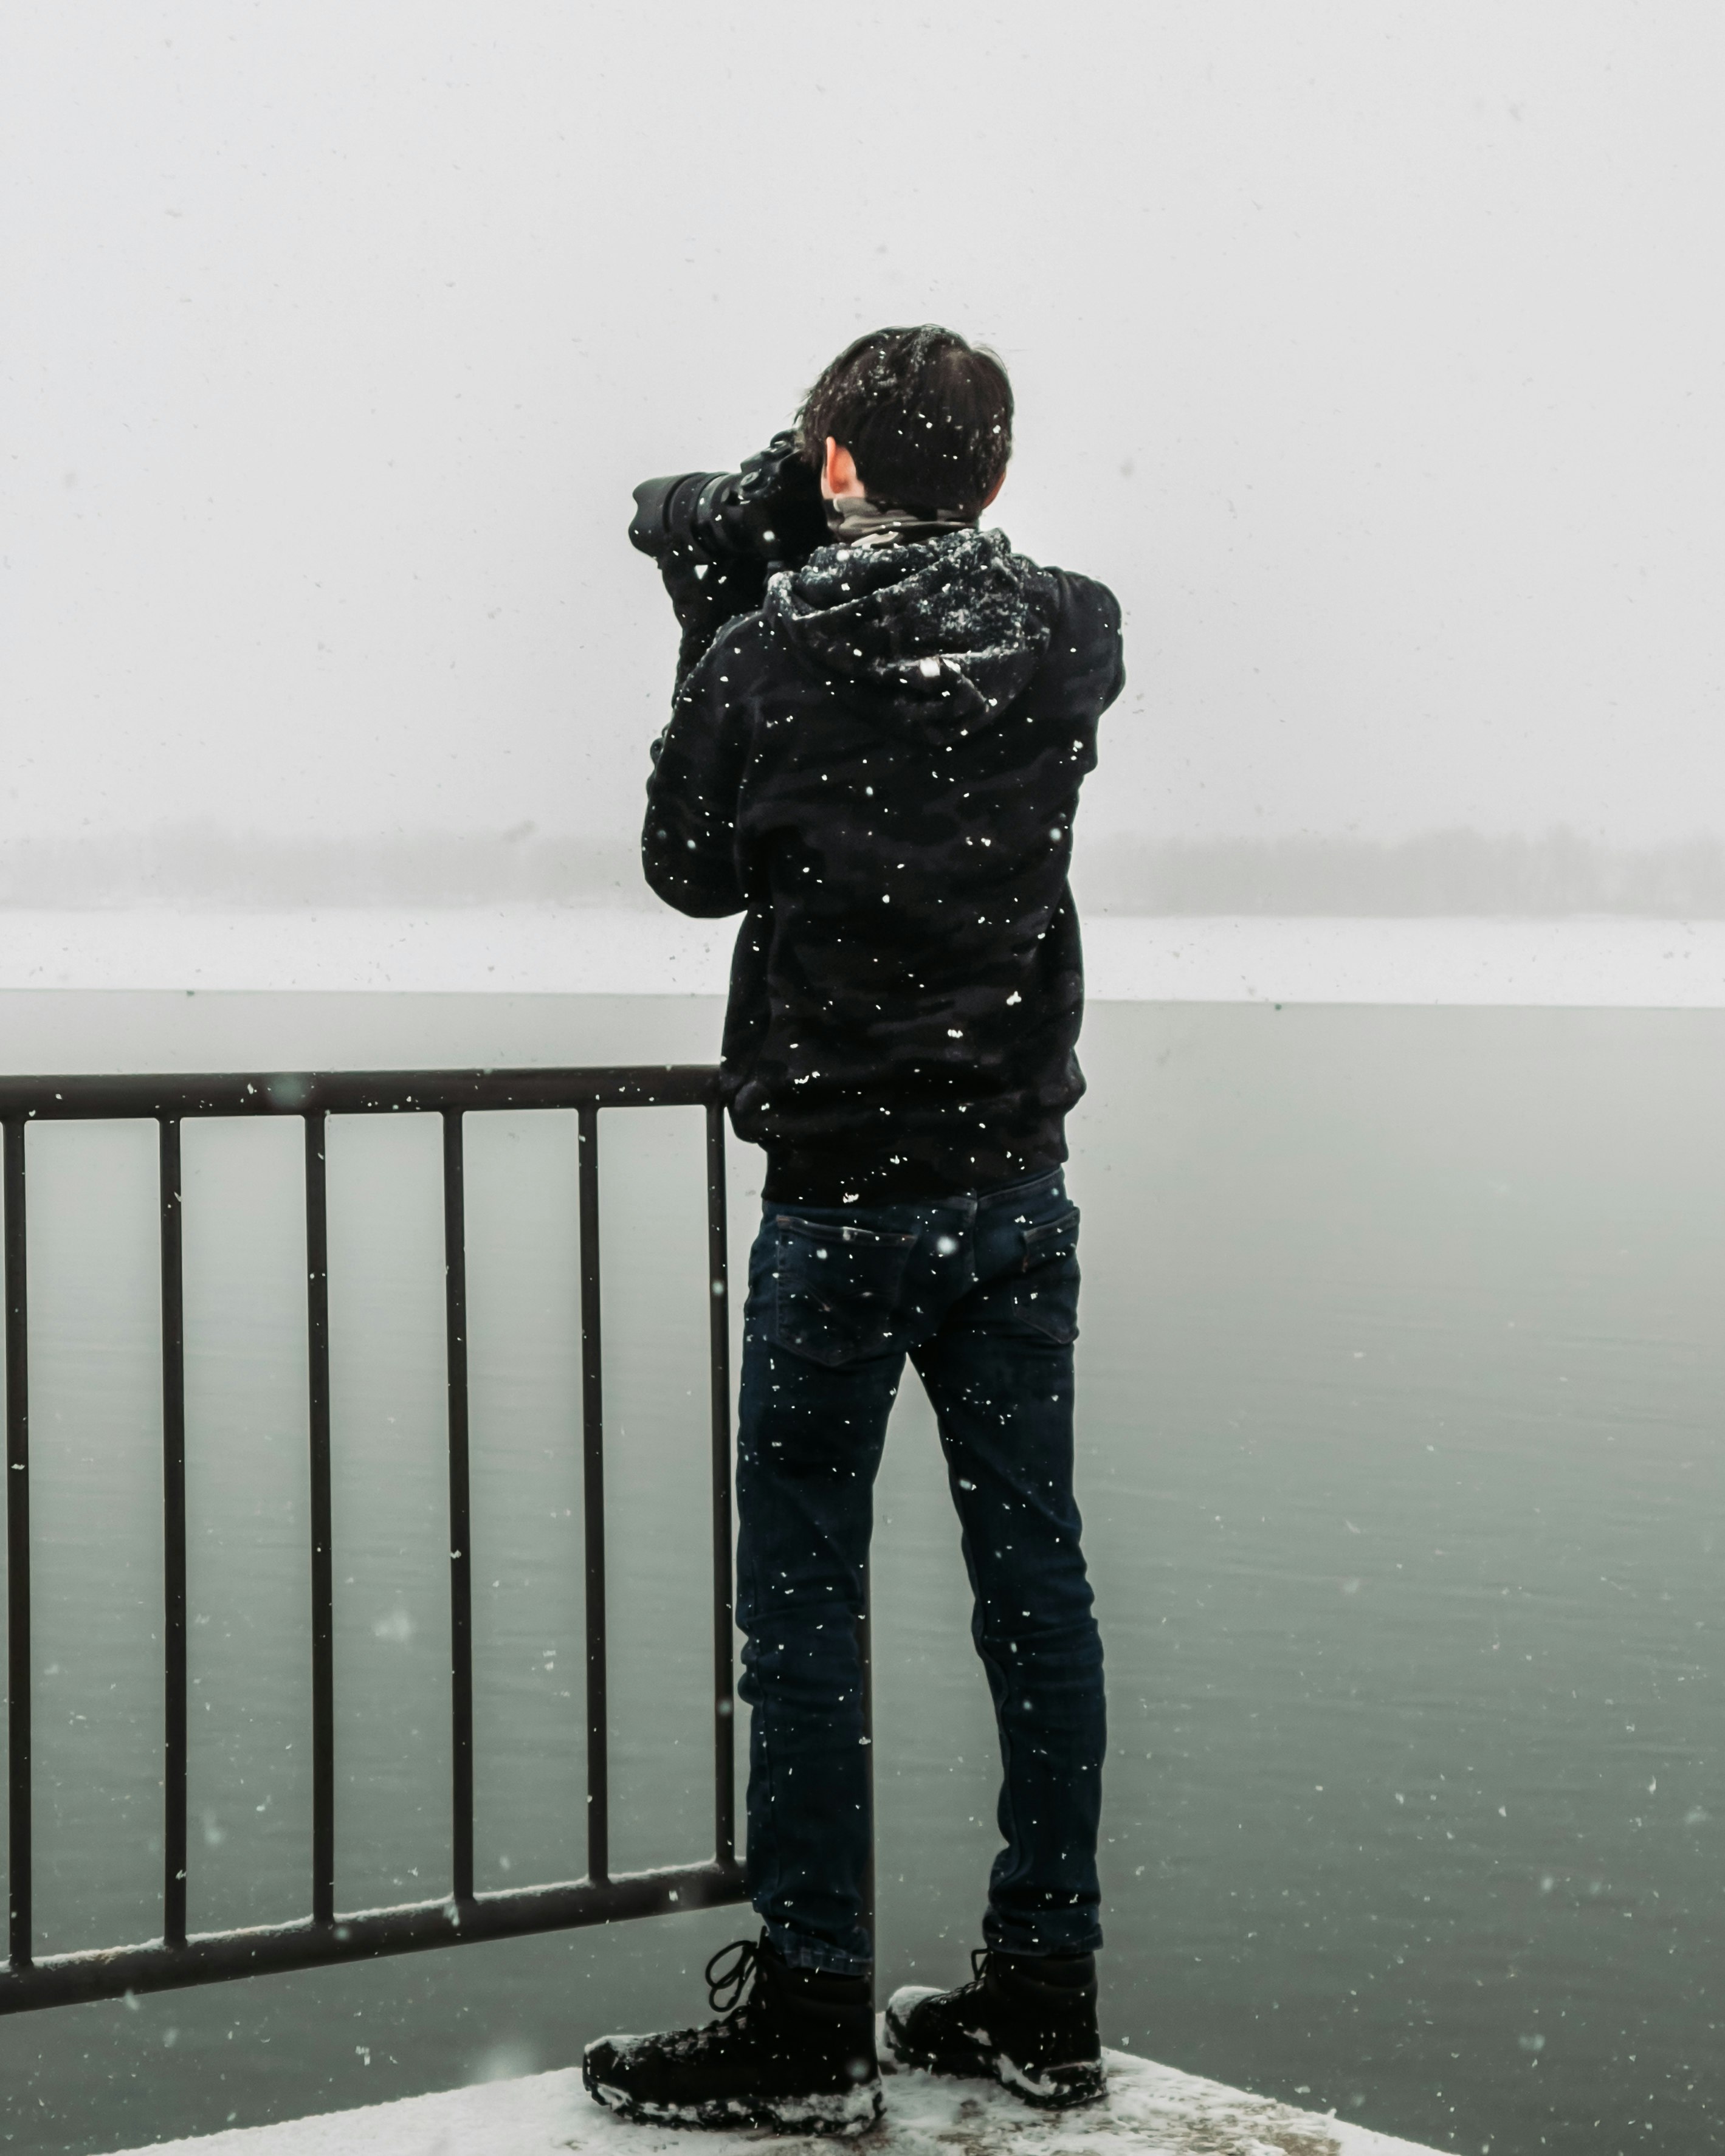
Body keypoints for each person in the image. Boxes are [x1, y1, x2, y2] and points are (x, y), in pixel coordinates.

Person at [583, 326, 1124, 2135]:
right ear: (990, 472)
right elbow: (953, 642)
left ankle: (813, 2014)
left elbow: (687, 862)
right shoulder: (1070, 631)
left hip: (841, 1202)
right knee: (1033, 1584)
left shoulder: (770, 648)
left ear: (830, 465)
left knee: (804, 1603)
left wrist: (709, 592)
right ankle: (1045, 1990)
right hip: (1014, 1190)